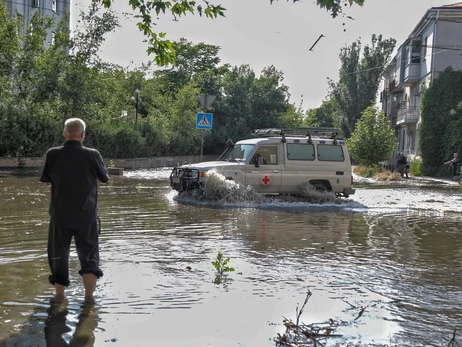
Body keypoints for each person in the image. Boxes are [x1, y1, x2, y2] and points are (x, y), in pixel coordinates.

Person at [40, 118, 109, 300]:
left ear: (65, 134)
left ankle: (59, 298)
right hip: (86, 217)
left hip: (59, 216)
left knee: (58, 256)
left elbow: (47, 180)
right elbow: (104, 178)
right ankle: (88, 300)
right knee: (89, 257)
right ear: (83, 134)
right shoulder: (93, 155)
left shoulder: (52, 154)